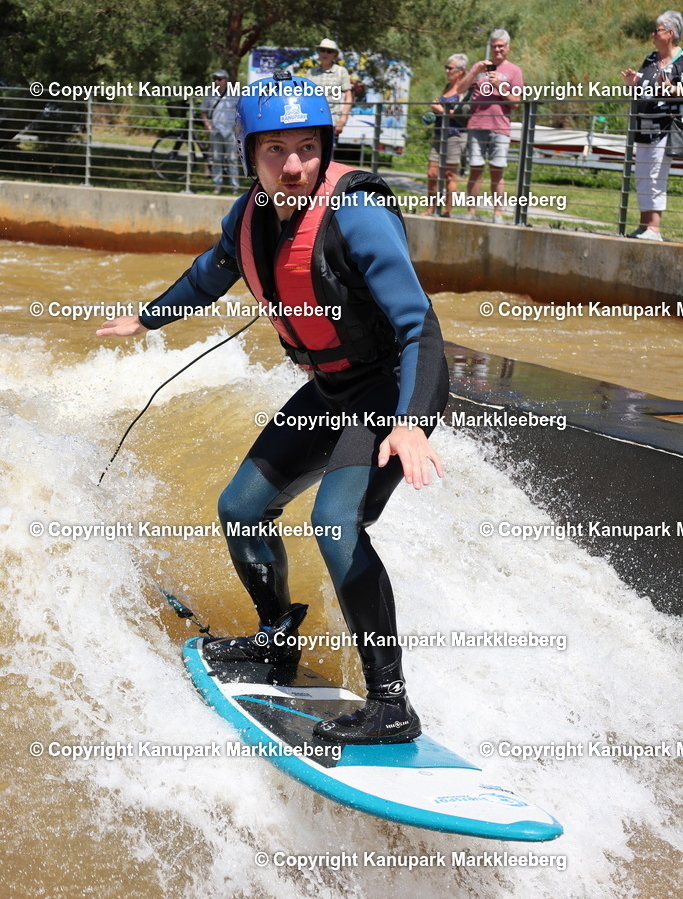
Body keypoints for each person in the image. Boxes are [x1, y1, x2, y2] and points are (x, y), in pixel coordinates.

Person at [96, 72, 449, 746]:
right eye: (274, 151)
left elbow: (418, 327)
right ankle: (275, 638)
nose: (292, 166)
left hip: (389, 388)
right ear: (250, 155)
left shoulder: (357, 213)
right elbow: (211, 272)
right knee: (240, 506)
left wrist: (407, 422)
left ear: (325, 147)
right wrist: (146, 319)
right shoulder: (250, 216)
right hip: (329, 389)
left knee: (337, 523)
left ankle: (392, 703)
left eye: (307, 149)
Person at [620, 10, 683, 241]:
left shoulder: (682, 61)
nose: (653, 34)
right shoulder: (650, 58)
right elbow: (643, 86)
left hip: (665, 126)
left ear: (670, 33)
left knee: (656, 174)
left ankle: (654, 229)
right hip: (644, 125)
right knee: (643, 174)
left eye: (657, 30)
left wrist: (673, 89)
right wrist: (633, 82)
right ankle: (643, 225)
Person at [457, 29, 524, 222]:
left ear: (508, 48)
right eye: (494, 46)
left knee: (497, 170)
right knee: (475, 168)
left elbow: (516, 102)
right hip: (476, 125)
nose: (497, 50)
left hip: (500, 127)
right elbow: (460, 89)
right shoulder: (480, 66)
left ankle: (497, 213)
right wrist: (475, 72)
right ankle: (471, 211)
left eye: (501, 46)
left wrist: (499, 87)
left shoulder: (514, 71)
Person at [423, 53, 469, 217]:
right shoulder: (447, 87)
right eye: (446, 67)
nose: (447, 71)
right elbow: (442, 112)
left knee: (450, 174)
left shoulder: (465, 89)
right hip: (439, 133)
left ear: (461, 71)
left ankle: (447, 210)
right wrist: (433, 113)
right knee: (432, 173)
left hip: (455, 135)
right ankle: (431, 208)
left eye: (450, 68)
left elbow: (461, 115)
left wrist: (440, 110)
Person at [305, 38, 353, 148]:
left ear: (334, 55)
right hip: (312, 120)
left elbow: (348, 97)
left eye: (329, 51)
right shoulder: (311, 72)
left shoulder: (341, 71)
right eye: (322, 50)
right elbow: (305, 97)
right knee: (310, 150)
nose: (325, 53)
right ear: (318, 52)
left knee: (328, 153)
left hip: (332, 120)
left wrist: (342, 120)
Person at [201, 69, 240, 194]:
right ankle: (217, 185)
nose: (216, 81)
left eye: (219, 79)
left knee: (232, 159)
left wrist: (238, 127)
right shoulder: (210, 93)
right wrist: (207, 125)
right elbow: (203, 111)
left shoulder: (235, 94)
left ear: (226, 80)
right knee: (217, 158)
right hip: (215, 130)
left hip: (230, 131)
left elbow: (242, 113)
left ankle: (235, 187)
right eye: (215, 79)